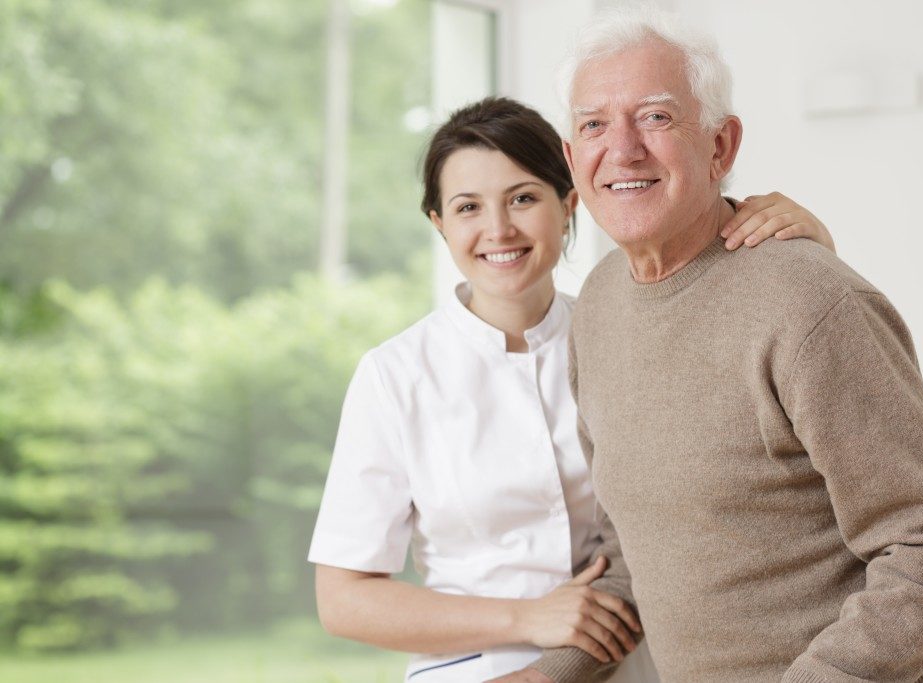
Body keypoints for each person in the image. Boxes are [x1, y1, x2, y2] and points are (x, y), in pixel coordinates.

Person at [502, 9, 923, 683]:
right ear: (571, 159)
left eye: (655, 117)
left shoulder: (810, 302)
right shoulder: (597, 305)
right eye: (594, 124)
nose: (622, 149)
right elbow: (635, 548)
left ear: (721, 146)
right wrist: (551, 672)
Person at [307, 96, 839, 682]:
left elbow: (747, 401)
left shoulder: (623, 330)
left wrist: (812, 249)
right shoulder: (394, 375)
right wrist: (529, 618)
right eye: (467, 208)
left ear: (568, 205)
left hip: (633, 660)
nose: (498, 230)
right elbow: (343, 600)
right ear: (439, 224)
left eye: (523, 198)